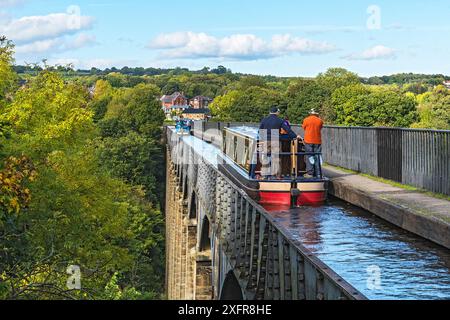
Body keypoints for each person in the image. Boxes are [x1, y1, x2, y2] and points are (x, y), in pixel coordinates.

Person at [256, 107, 299, 179]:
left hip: (266, 140)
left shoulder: (264, 120)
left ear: (270, 112)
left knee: (265, 157)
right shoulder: (280, 120)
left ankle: (264, 175)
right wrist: (296, 136)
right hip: (275, 140)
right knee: (276, 158)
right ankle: (277, 175)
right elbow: (288, 130)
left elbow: (260, 131)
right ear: (276, 112)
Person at [302, 108, 324, 178]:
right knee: (317, 156)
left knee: (309, 156)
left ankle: (310, 173)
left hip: (308, 140)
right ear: (316, 114)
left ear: (310, 113)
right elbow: (320, 128)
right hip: (317, 141)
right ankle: (318, 173)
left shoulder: (306, 120)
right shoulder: (320, 121)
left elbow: (304, 128)